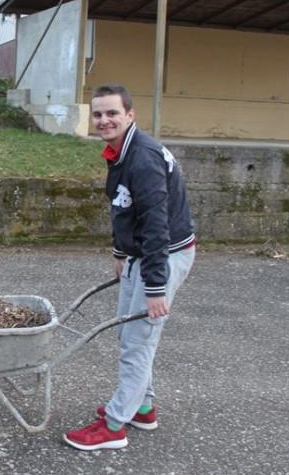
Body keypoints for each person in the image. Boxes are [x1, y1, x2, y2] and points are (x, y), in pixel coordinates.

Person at [63, 84, 195, 451]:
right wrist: (121, 251)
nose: (104, 120)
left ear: (130, 115)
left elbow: (157, 224)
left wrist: (155, 288)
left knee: (138, 340)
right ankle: (143, 407)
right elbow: (124, 207)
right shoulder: (120, 152)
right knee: (129, 335)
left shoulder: (143, 158)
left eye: (112, 114)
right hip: (144, 254)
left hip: (164, 255)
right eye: (98, 114)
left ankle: (114, 427)